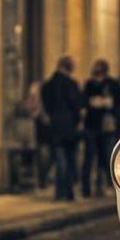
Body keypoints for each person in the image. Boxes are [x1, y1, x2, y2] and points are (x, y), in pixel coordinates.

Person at [39, 56, 84, 201]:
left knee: (60, 161)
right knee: (69, 161)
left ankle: (60, 192)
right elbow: (77, 105)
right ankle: (68, 192)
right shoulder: (71, 84)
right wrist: (77, 120)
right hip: (69, 128)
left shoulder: (48, 85)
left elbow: (46, 106)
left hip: (55, 128)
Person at [81, 60, 120, 197]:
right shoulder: (89, 84)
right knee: (90, 158)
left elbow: (118, 102)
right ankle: (88, 189)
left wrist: (106, 103)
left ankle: (107, 185)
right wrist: (93, 103)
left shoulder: (112, 84)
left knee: (107, 157)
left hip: (107, 126)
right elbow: (84, 101)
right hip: (92, 125)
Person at [23, 79, 52, 192]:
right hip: (37, 131)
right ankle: (41, 180)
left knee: (44, 154)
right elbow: (29, 107)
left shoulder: (43, 111)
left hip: (42, 130)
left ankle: (42, 180)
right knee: (42, 154)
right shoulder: (40, 109)